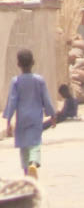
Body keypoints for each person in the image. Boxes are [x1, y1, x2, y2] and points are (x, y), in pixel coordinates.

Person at [3, 49, 56, 179]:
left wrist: (8, 119)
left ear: (18, 64)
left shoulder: (16, 81)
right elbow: (46, 99)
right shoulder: (39, 80)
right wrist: (52, 115)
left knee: (24, 146)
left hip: (21, 120)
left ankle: (27, 171)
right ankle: (33, 163)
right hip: (35, 119)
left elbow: (12, 101)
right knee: (35, 144)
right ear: (33, 62)